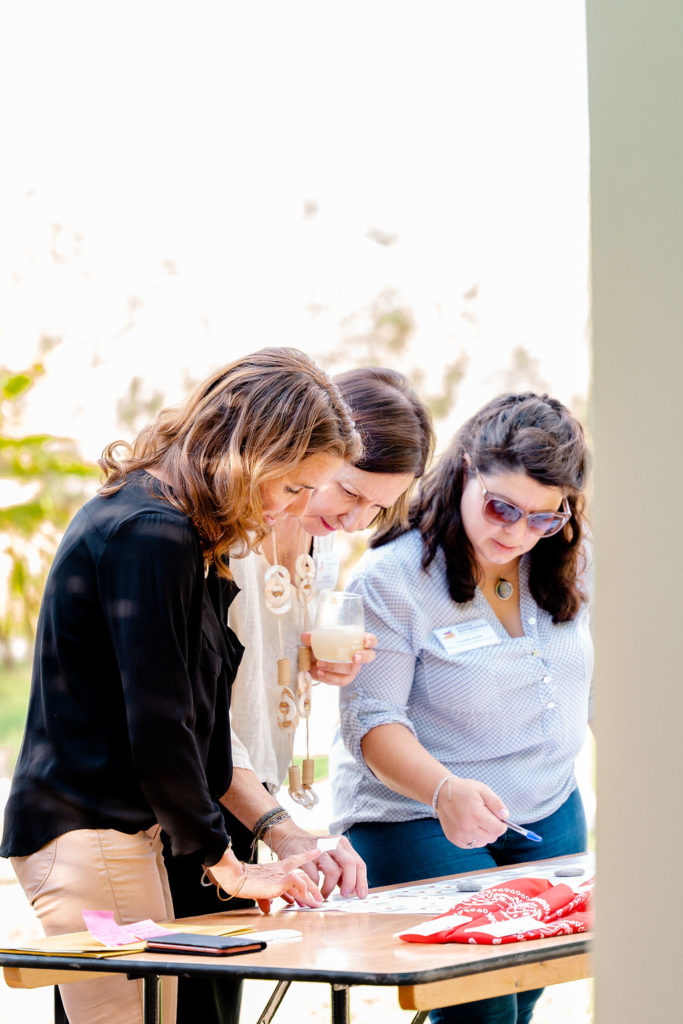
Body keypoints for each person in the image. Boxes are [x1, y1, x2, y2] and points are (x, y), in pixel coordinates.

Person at [0, 347, 363, 1024]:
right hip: (90, 831)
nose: (291, 508)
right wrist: (227, 865)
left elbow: (199, 718)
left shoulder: (179, 528)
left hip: (117, 833)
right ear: (250, 453)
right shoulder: (152, 531)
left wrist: (268, 837)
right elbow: (161, 723)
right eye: (291, 488)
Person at [164, 366, 435, 1024]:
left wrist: (314, 663)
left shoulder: (323, 543)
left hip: (248, 799)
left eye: (378, 508)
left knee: (215, 1004)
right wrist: (280, 829)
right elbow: (190, 701)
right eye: (349, 491)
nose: (354, 518)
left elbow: (256, 663)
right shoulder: (225, 533)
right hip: (185, 794)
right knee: (158, 1001)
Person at [330, 392, 592, 1024]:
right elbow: (373, 722)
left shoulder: (573, 561)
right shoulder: (391, 579)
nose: (516, 533)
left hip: (549, 809)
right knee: (484, 1009)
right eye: (502, 508)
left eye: (542, 518)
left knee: (524, 993)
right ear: (467, 469)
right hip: (417, 817)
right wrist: (444, 790)